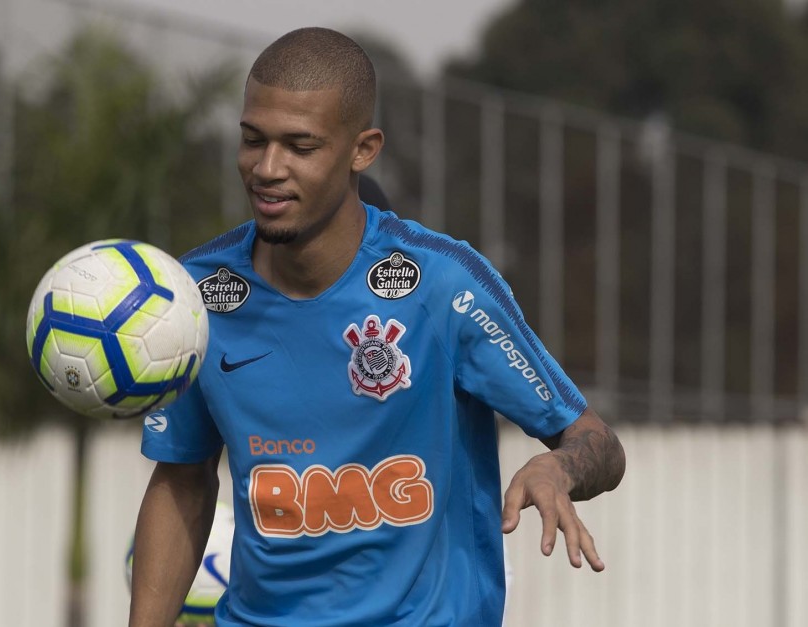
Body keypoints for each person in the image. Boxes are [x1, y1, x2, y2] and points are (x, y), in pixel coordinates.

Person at [129, 27, 626, 627]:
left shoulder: (444, 287)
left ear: (363, 150)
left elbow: (597, 443)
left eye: (300, 146)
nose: (267, 168)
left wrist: (559, 466)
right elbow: (183, 478)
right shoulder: (197, 293)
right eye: (252, 140)